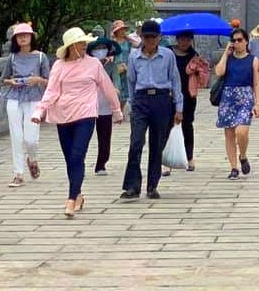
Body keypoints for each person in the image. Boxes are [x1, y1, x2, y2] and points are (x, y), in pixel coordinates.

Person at [32, 28, 122, 217]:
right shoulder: (58, 66)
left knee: (77, 155)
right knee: (69, 158)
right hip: (62, 114)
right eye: (81, 43)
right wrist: (40, 111)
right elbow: (52, 91)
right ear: (72, 46)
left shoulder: (93, 65)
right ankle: (78, 194)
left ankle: (71, 199)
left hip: (86, 114)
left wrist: (116, 110)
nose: (85, 46)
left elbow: (107, 87)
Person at [119, 20, 183, 201]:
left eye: (154, 37)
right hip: (141, 99)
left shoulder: (168, 55)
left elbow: (176, 81)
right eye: (147, 37)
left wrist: (179, 107)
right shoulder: (133, 56)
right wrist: (132, 103)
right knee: (136, 142)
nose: (150, 41)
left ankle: (152, 185)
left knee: (157, 144)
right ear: (141, 37)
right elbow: (131, 81)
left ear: (159, 37)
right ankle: (132, 186)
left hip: (162, 99)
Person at [1, 22, 50, 187]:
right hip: (14, 97)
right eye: (19, 36)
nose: (22, 38)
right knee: (16, 136)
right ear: (15, 39)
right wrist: (12, 81)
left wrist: (37, 80)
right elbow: (4, 79)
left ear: (31, 37)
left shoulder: (41, 57)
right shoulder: (12, 57)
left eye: (26, 35)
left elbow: (49, 81)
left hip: (34, 97)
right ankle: (18, 173)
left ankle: (32, 158)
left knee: (31, 139)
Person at [214, 27, 259, 180]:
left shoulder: (253, 60)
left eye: (239, 40)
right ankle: (234, 167)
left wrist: (258, 103)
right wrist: (225, 54)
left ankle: (243, 155)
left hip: (245, 97)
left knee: (241, 132)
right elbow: (219, 72)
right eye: (233, 40)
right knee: (229, 134)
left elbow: (256, 83)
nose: (236, 43)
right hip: (228, 97)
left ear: (246, 41)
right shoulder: (228, 58)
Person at [162, 31, 208, 175]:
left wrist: (200, 67)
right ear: (177, 39)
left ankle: (189, 157)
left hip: (188, 95)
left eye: (188, 40)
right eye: (182, 39)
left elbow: (202, 78)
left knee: (187, 125)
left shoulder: (194, 55)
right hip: (169, 94)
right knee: (167, 125)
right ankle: (165, 160)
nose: (185, 42)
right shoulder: (168, 52)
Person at [86, 35, 122, 176]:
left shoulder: (112, 66)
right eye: (97, 48)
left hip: (105, 106)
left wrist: (116, 89)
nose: (100, 51)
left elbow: (117, 82)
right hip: (88, 105)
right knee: (84, 136)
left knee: (105, 137)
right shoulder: (87, 65)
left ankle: (101, 164)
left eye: (103, 48)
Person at [110, 20, 135, 112]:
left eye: (123, 29)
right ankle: (116, 109)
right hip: (115, 67)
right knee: (117, 88)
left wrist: (128, 37)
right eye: (120, 30)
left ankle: (121, 109)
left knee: (126, 89)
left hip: (126, 66)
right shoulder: (112, 42)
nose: (122, 31)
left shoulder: (127, 42)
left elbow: (138, 44)